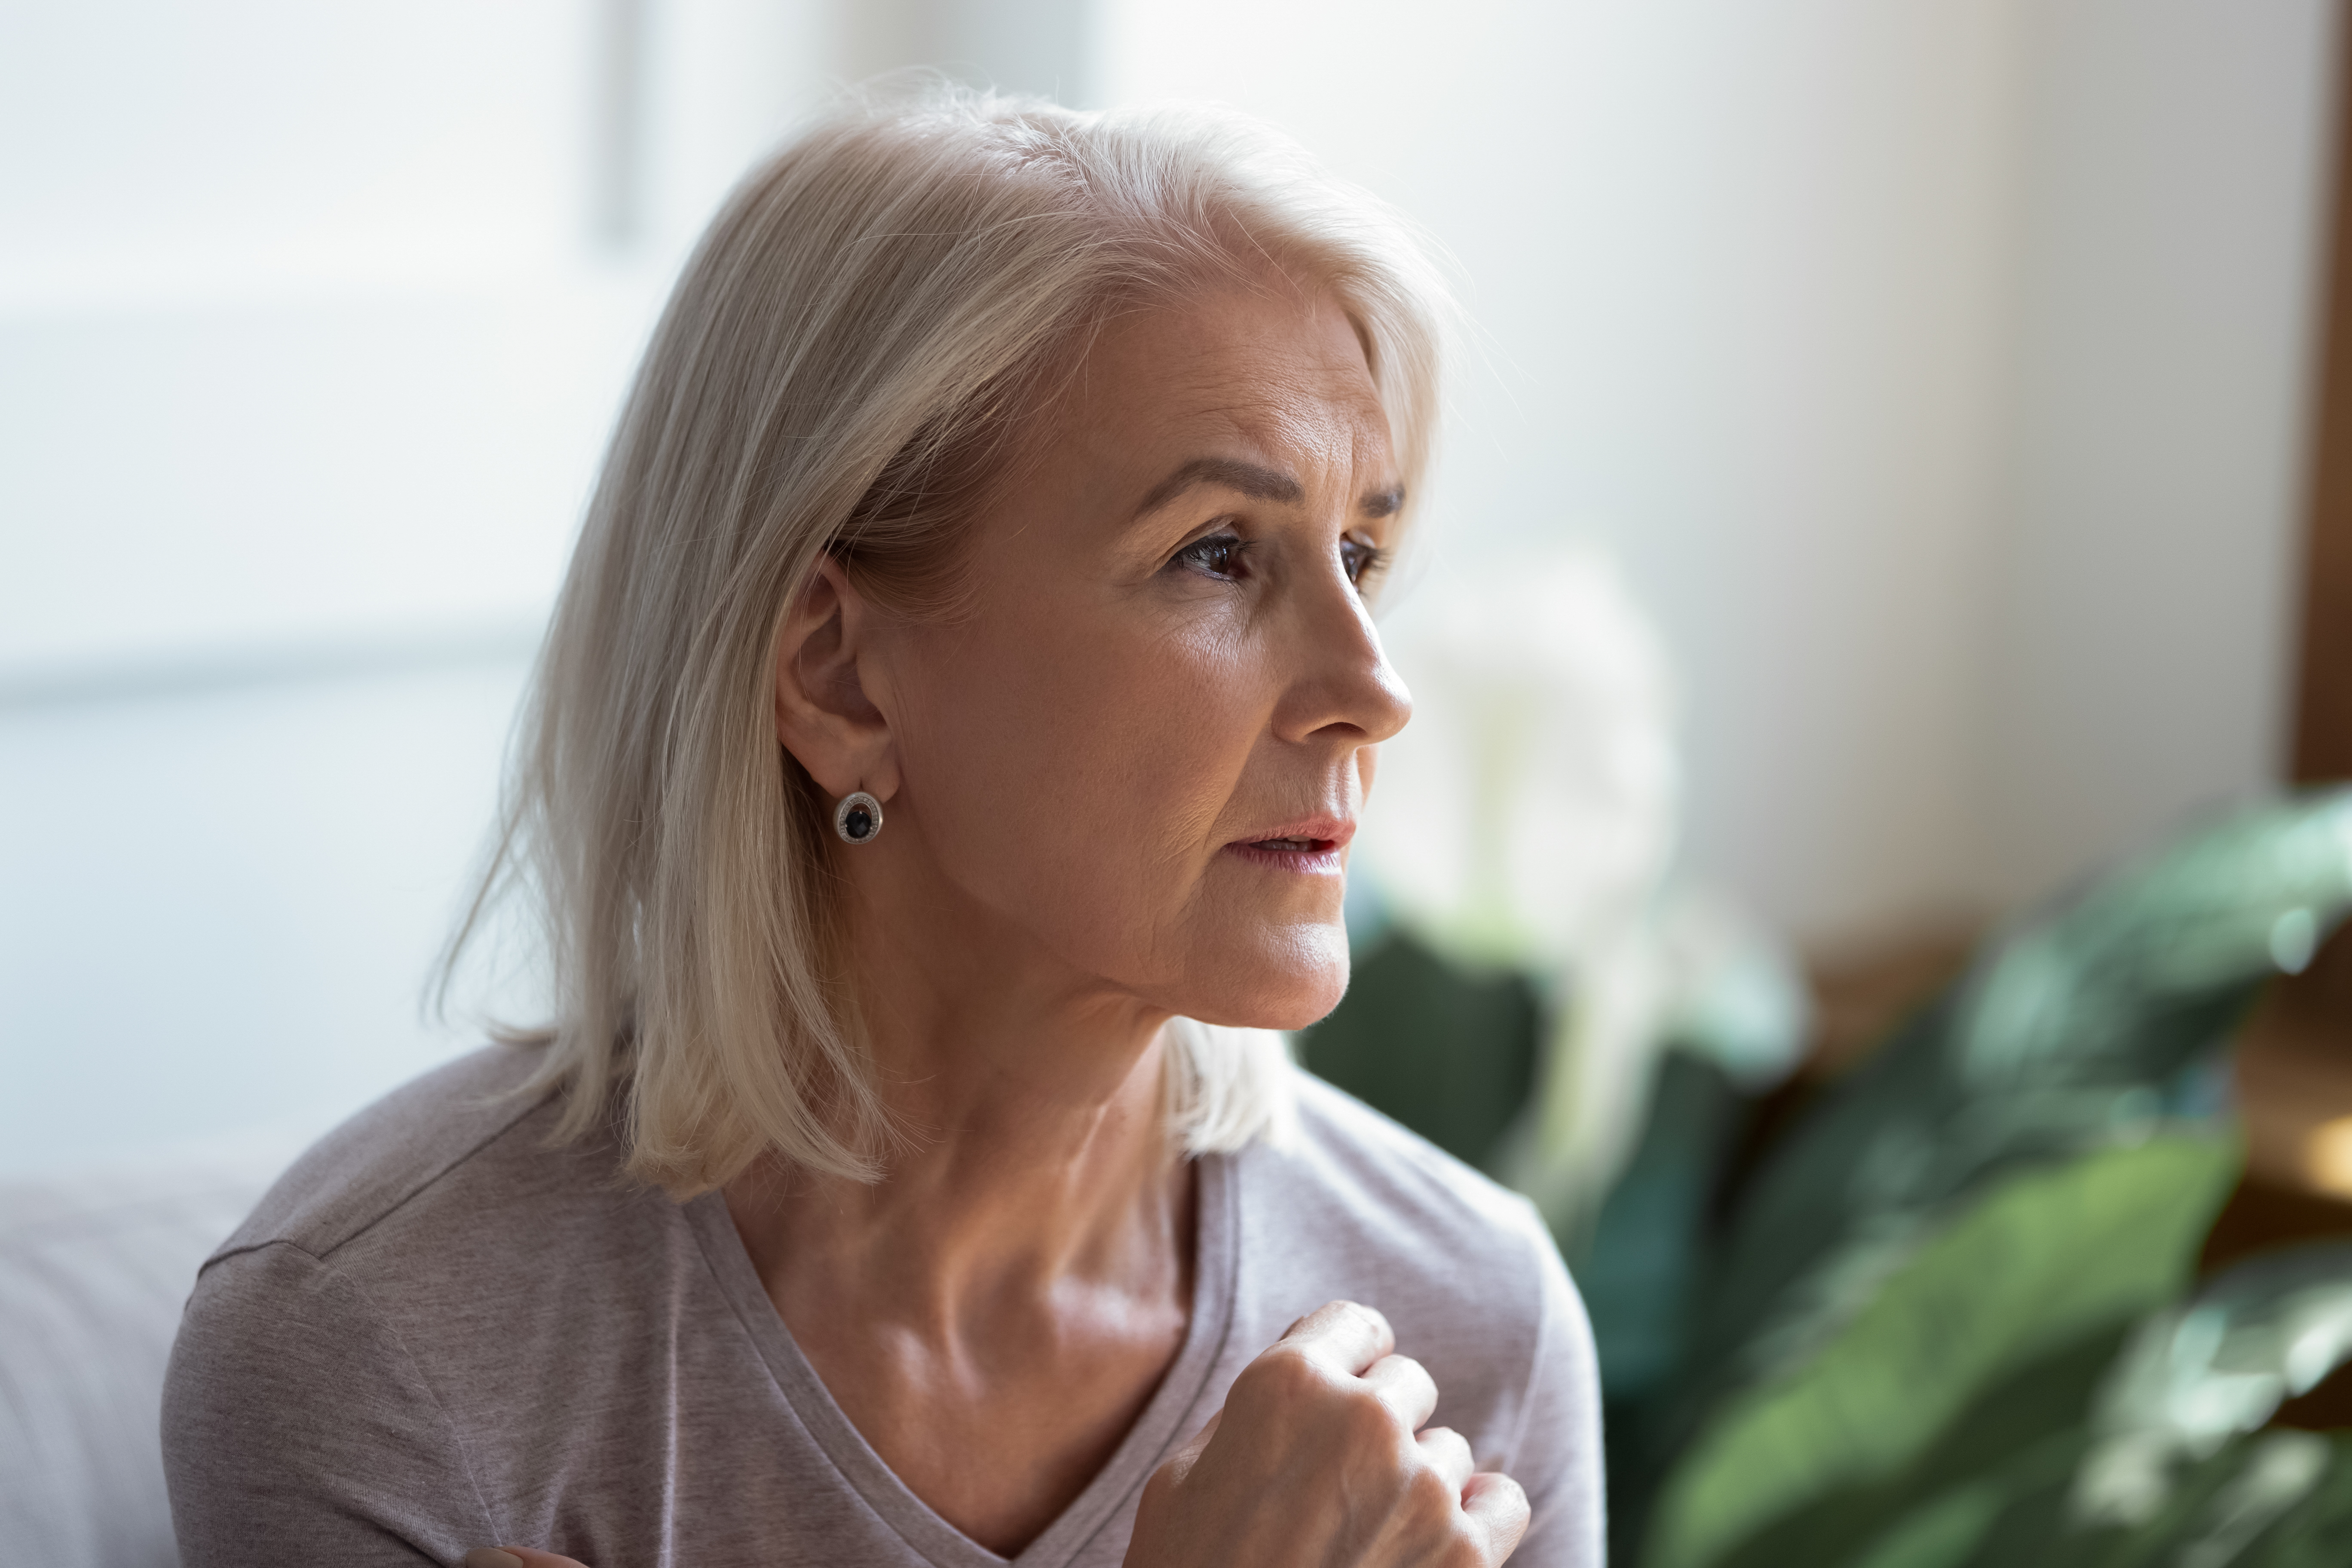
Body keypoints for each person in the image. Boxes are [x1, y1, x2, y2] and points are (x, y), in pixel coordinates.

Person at [162, 86, 1603, 1567]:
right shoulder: (383, 1357)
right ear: (837, 673)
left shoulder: (1470, 1335)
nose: (1375, 688)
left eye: (1362, 549)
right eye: (1217, 554)